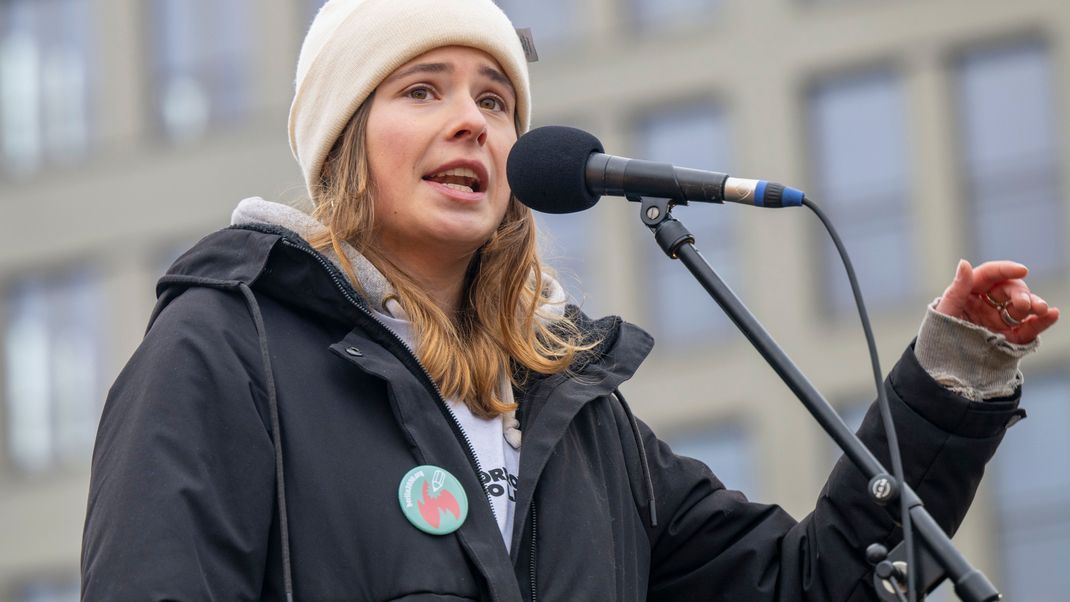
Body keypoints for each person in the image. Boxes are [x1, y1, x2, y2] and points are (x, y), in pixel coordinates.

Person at [80, 0, 1059, 600]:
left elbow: (812, 584)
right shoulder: (223, 345)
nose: (470, 120)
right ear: (343, 139)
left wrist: (948, 380)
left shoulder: (575, 415)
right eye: (422, 90)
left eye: (494, 101)